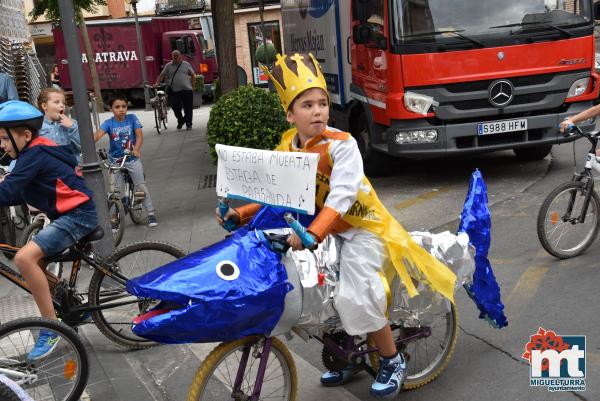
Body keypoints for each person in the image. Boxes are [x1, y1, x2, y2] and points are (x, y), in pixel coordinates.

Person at [216, 53, 456, 397]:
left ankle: (391, 359)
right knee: (321, 298)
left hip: (363, 230)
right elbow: (277, 194)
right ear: (290, 114)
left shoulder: (343, 147)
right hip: (319, 232)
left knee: (358, 296)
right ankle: (348, 355)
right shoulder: (288, 146)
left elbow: (341, 197)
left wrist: (313, 233)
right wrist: (241, 214)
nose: (317, 111)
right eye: (307, 105)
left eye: (322, 103)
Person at [0, 100, 98, 360]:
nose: (2, 145)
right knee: (35, 266)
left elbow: (9, 190)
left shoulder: (33, 154)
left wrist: (5, 185)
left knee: (23, 258)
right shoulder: (32, 152)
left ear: (26, 135)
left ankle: (51, 328)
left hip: (78, 215)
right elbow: (14, 194)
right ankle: (71, 301)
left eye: (4, 138)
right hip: (69, 214)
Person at [94, 95, 158, 227]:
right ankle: (114, 217)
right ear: (111, 109)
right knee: (113, 191)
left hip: (131, 159)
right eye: (117, 107)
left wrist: (137, 149)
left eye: (123, 106)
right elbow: (97, 135)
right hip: (115, 160)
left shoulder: (132, 119)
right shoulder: (108, 123)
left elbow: (139, 135)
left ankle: (151, 213)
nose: (121, 109)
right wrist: (88, 144)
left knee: (140, 186)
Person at [37, 88, 81, 163]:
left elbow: (83, 147)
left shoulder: (72, 123)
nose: (62, 105)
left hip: (71, 167)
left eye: (63, 103)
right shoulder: (38, 126)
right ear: (44, 106)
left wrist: (72, 127)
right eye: (57, 102)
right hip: (48, 167)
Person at [155, 50, 195, 130]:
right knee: (175, 107)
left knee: (188, 108)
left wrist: (193, 87)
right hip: (175, 91)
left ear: (180, 56)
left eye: (177, 55)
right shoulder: (168, 65)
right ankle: (181, 120)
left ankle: (188, 123)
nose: (175, 57)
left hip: (187, 90)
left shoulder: (186, 64)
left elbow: (193, 75)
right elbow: (162, 75)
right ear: (172, 56)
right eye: (174, 55)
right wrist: (157, 83)